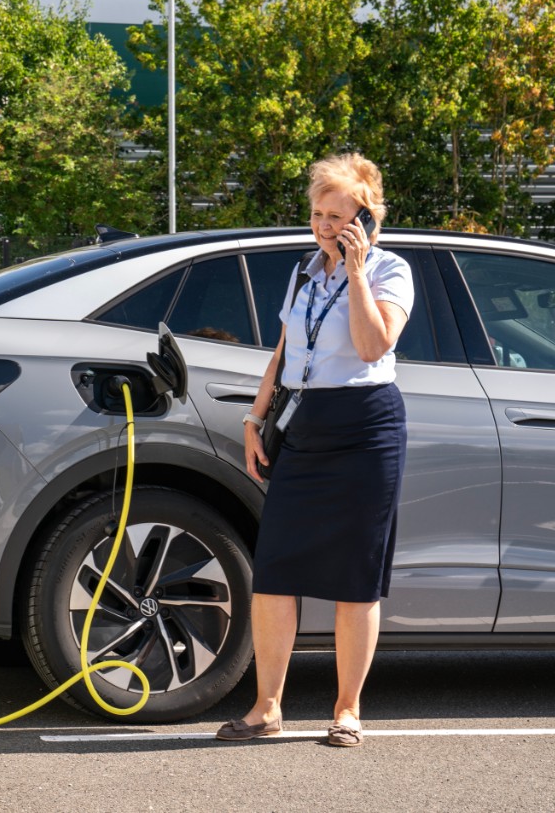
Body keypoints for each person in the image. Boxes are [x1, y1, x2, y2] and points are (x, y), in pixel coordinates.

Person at [215, 152, 414, 747]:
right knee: (274, 572)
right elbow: (283, 351)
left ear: (368, 218)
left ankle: (347, 710)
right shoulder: (303, 271)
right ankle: (266, 708)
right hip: (301, 426)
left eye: (338, 216)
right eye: (317, 215)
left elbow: (373, 345)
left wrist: (355, 272)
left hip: (364, 427)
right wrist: (255, 417)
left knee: (356, 578)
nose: (325, 227)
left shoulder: (391, 271)